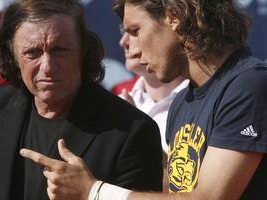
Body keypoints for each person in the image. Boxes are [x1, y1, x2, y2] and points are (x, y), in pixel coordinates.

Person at [20, 0, 267, 199]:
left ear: (174, 17)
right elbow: (178, 190)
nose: (134, 49)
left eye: (136, 31)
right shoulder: (183, 101)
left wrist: (94, 191)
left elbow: (208, 198)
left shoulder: (248, 85)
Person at [0, 0, 164, 199]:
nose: (47, 67)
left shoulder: (132, 131)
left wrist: (90, 192)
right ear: (13, 56)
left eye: (59, 50)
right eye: (32, 53)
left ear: (83, 50)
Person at [115, 30, 189, 191]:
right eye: (124, 31)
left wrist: (141, 132)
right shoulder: (116, 103)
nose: (123, 42)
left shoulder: (205, 103)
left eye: (135, 32)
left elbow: (191, 187)